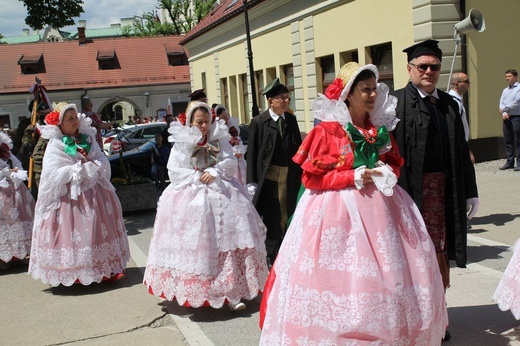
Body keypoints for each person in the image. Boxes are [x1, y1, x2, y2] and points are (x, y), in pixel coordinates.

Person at [259, 62, 447, 344]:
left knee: (391, 277)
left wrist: (386, 172)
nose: (372, 95)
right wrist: (352, 175)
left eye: (374, 89)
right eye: (365, 90)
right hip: (336, 214)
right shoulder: (329, 131)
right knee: (341, 281)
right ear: (348, 93)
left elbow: (395, 165)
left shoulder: (379, 129)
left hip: (383, 212)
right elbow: (312, 178)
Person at [391, 39, 479, 341]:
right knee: (413, 259)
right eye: (422, 66)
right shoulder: (394, 102)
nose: (429, 71)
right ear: (409, 69)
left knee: (438, 257)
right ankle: (413, 321)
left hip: (443, 193)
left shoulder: (450, 104)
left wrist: (470, 190)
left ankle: (438, 319)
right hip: (406, 195)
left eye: (434, 67)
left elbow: (461, 148)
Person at [143, 101, 268, 311]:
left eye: (206, 121)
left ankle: (232, 293)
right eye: (199, 122)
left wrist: (217, 172)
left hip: (221, 190)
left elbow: (229, 161)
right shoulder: (182, 142)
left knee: (231, 239)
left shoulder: (219, 137)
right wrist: (197, 176)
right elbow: (174, 171)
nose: (203, 126)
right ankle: (199, 291)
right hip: (192, 195)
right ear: (190, 121)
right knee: (200, 245)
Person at [28, 102, 130, 286]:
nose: (75, 121)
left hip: (96, 193)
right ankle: (75, 273)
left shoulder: (87, 138)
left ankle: (104, 269)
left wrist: (96, 166)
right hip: (71, 198)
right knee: (76, 233)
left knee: (97, 230)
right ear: (60, 123)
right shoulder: (56, 145)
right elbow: (53, 173)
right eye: (70, 119)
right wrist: (80, 170)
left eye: (76, 117)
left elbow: (101, 158)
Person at [246, 78, 302, 265]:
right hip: (269, 180)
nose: (286, 101)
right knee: (273, 217)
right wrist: (251, 181)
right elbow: (252, 154)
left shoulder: (291, 120)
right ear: (271, 101)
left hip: (291, 177)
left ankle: (287, 252)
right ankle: (270, 255)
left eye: (288, 97)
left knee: (290, 214)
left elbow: (298, 149)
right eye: (282, 98)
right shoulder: (259, 122)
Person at [0, 131, 35, 270]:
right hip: (2, 192)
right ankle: (2, 258)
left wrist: (16, 171)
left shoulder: (8, 154)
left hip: (15, 190)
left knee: (20, 220)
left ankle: (19, 254)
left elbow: (17, 163)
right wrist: (5, 173)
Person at [498, 69, 520, 170]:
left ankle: (519, 162)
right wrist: (504, 112)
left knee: (518, 140)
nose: (507, 78)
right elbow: (501, 102)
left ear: (515, 77)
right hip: (506, 117)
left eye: (509, 76)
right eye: (506, 76)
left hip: (516, 117)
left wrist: (505, 109)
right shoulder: (505, 90)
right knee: (508, 140)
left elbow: (517, 102)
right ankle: (510, 161)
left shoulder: (519, 88)